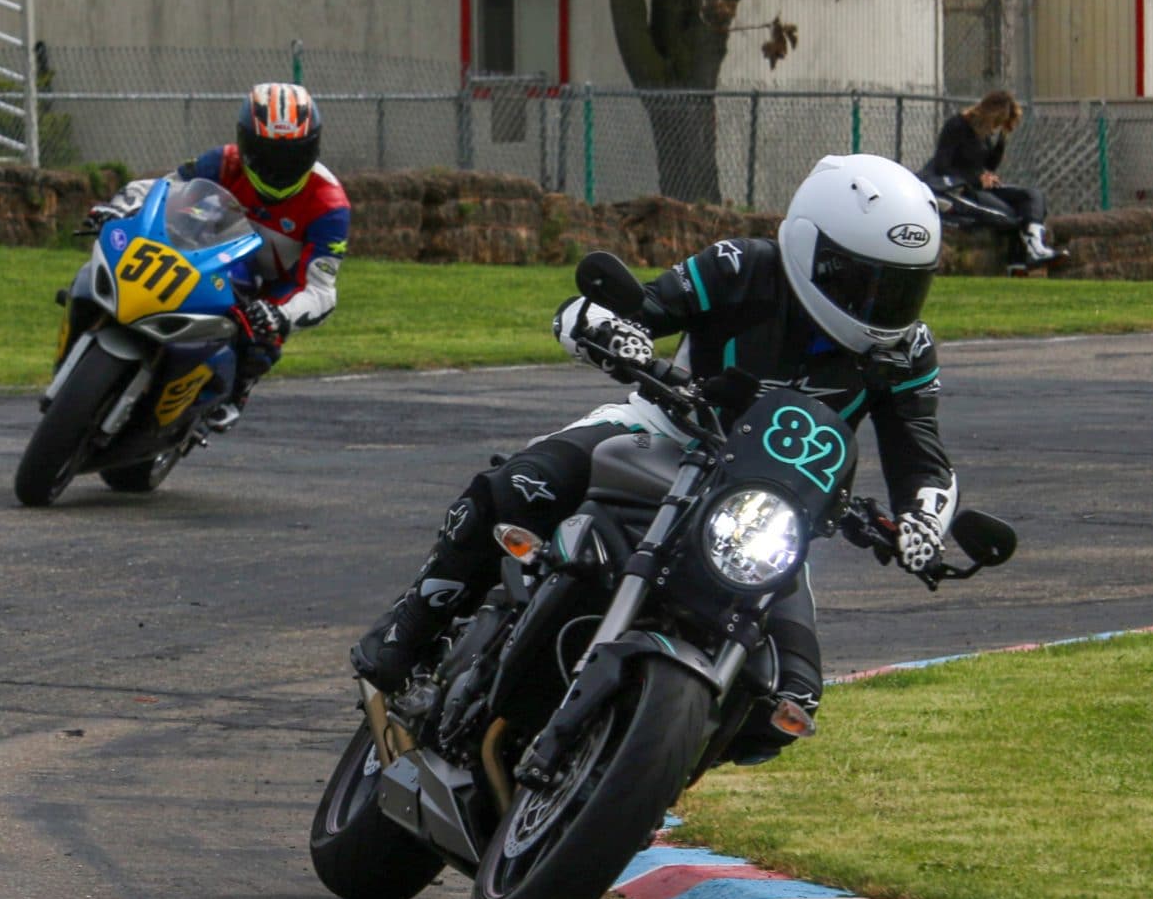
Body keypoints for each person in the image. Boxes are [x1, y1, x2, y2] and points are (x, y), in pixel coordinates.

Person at [351, 153, 960, 759]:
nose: (884, 305)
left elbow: (922, 460)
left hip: (769, 504)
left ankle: (642, 771)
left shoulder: (907, 352)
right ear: (809, 249)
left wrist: (922, 523)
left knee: (791, 696)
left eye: (905, 286)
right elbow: (632, 307)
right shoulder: (742, 266)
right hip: (666, 429)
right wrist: (611, 329)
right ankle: (406, 635)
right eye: (862, 280)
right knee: (522, 487)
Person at [133, 82, 348, 431]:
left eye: (292, 156)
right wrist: (120, 203)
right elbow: (163, 187)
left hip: (276, 283)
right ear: (246, 143)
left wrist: (281, 314)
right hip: (213, 253)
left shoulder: (330, 206)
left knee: (262, 333)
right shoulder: (222, 162)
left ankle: (233, 392)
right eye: (267, 155)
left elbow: (322, 290)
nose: (278, 168)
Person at [918, 89, 1061, 272]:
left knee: (1032, 196)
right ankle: (1017, 262)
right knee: (1009, 216)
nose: (995, 128)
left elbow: (989, 164)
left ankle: (1036, 248)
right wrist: (977, 179)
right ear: (989, 114)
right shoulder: (957, 126)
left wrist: (1002, 137)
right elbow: (942, 166)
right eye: (997, 123)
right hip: (958, 187)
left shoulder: (984, 134)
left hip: (980, 186)